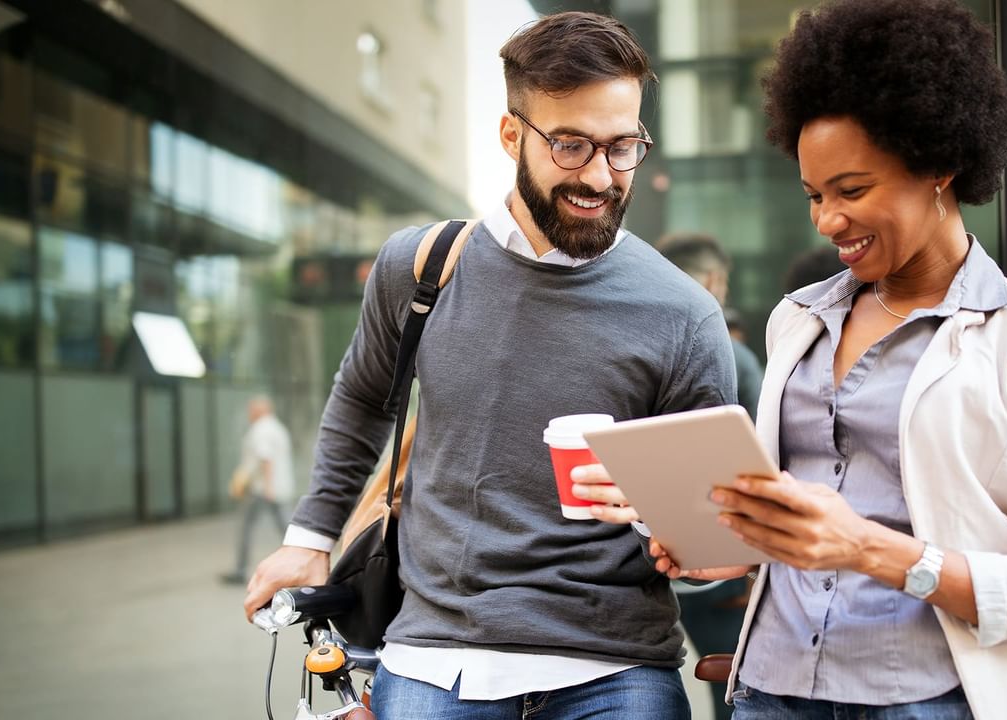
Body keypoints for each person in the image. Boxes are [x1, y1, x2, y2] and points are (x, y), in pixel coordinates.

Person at [242, 11, 736, 719]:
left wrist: (690, 540)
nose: (601, 175)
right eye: (571, 145)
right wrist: (308, 538)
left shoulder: (685, 314)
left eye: (623, 146)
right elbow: (363, 400)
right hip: (435, 653)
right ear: (512, 135)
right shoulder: (420, 268)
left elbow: (702, 533)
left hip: (616, 663)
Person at [644, 2, 1007, 718]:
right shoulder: (798, 321)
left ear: (939, 165)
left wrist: (869, 550)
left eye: (853, 190)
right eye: (814, 195)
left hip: (929, 700)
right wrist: (737, 548)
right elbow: (804, 524)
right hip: (772, 693)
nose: (827, 220)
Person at [656, 231, 761, 720]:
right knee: (733, 693)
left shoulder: (640, 342)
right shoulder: (733, 354)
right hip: (722, 557)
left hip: (648, 556)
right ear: (716, 279)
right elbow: (766, 456)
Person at [657, 232, 763, 421]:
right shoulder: (736, 357)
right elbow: (759, 430)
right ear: (714, 281)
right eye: (725, 283)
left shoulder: (632, 342)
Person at [220, 395, 294, 585]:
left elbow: (265, 458)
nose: (249, 413)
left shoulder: (261, 429)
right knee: (286, 527)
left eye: (251, 409)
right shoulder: (277, 427)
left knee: (246, 527)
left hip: (262, 489)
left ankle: (240, 570)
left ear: (259, 410)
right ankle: (298, 563)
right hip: (278, 487)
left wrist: (268, 487)